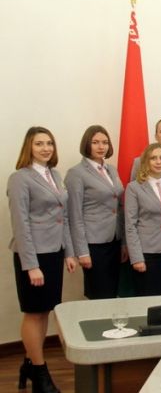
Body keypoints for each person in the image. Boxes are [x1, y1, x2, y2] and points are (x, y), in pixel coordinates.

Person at [8, 127, 77, 393]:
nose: (46, 148)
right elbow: (21, 224)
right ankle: (40, 373)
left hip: (54, 251)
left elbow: (64, 217)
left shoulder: (55, 175)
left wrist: (68, 252)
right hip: (33, 255)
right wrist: (32, 265)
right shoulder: (20, 178)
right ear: (29, 147)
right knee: (34, 312)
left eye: (49, 143)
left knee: (45, 310)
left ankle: (29, 363)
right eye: (39, 144)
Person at [65, 125, 126, 299]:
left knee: (112, 293)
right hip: (93, 244)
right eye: (95, 142)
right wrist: (82, 251)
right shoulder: (76, 173)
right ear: (87, 144)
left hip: (114, 240)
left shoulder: (111, 169)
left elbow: (118, 207)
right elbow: (74, 215)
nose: (101, 146)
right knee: (99, 295)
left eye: (105, 142)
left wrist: (123, 243)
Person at [125, 144, 161, 296]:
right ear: (145, 162)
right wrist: (136, 258)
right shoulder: (134, 188)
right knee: (147, 300)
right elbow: (130, 226)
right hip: (146, 254)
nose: (158, 161)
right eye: (153, 158)